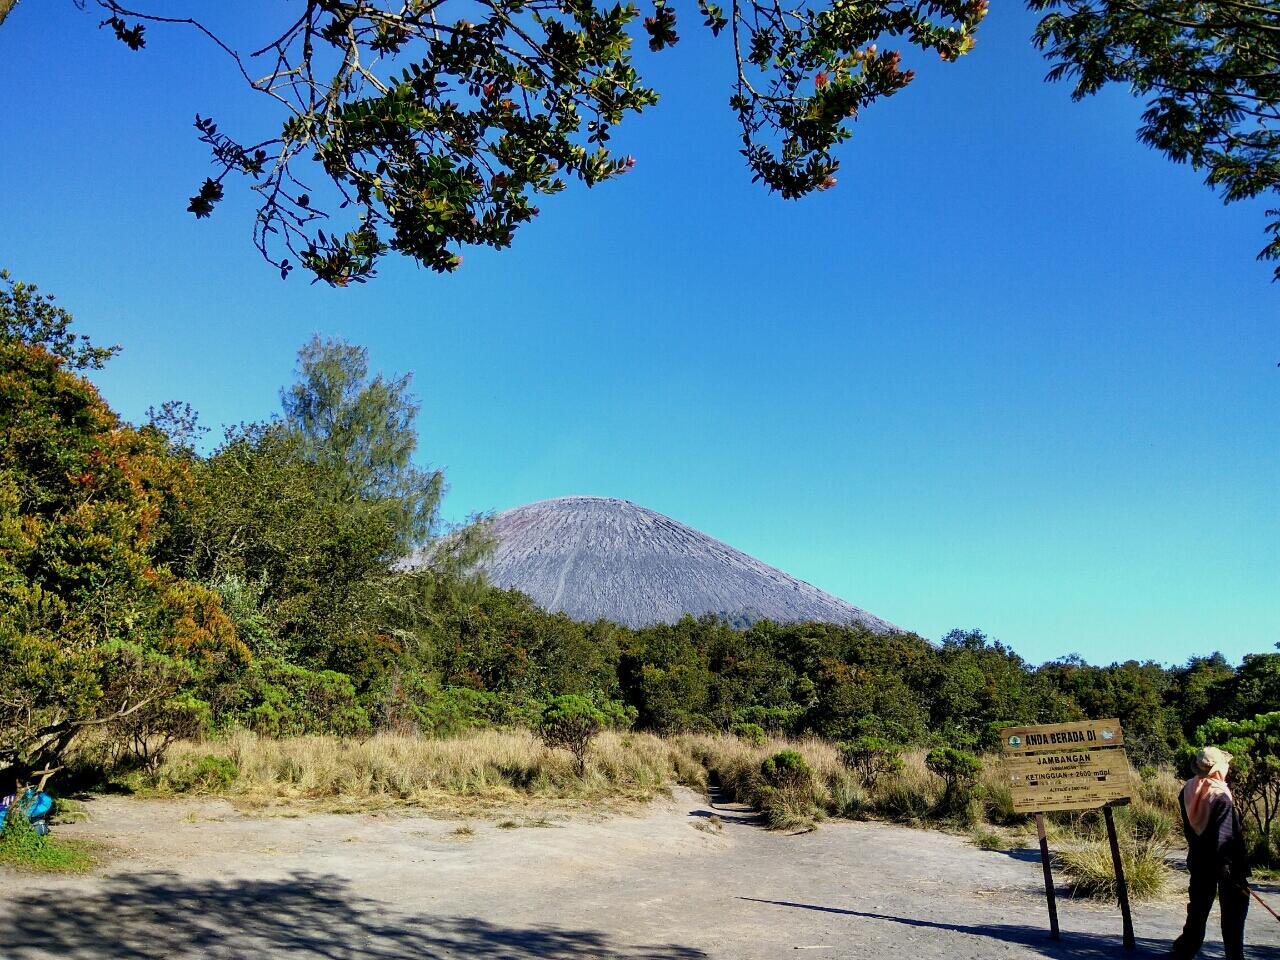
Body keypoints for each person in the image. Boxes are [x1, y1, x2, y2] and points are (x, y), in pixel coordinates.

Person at [1171, 746, 1250, 960]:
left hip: (1198, 859)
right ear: (1219, 768)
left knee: (1198, 907)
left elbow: (1190, 829)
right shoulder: (1220, 796)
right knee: (1234, 910)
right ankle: (1235, 956)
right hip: (1226, 865)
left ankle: (1184, 949)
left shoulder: (1188, 788)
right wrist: (1230, 870)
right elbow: (1224, 839)